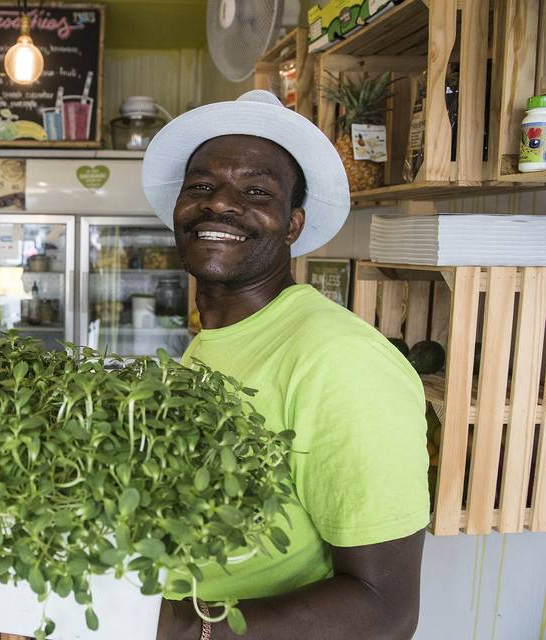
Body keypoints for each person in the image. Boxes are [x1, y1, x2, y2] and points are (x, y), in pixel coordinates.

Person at [144, 91, 429, 639]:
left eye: (256, 191)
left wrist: (181, 630)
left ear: (292, 224)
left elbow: (385, 610)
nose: (219, 204)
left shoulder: (341, 358)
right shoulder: (213, 342)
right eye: (201, 186)